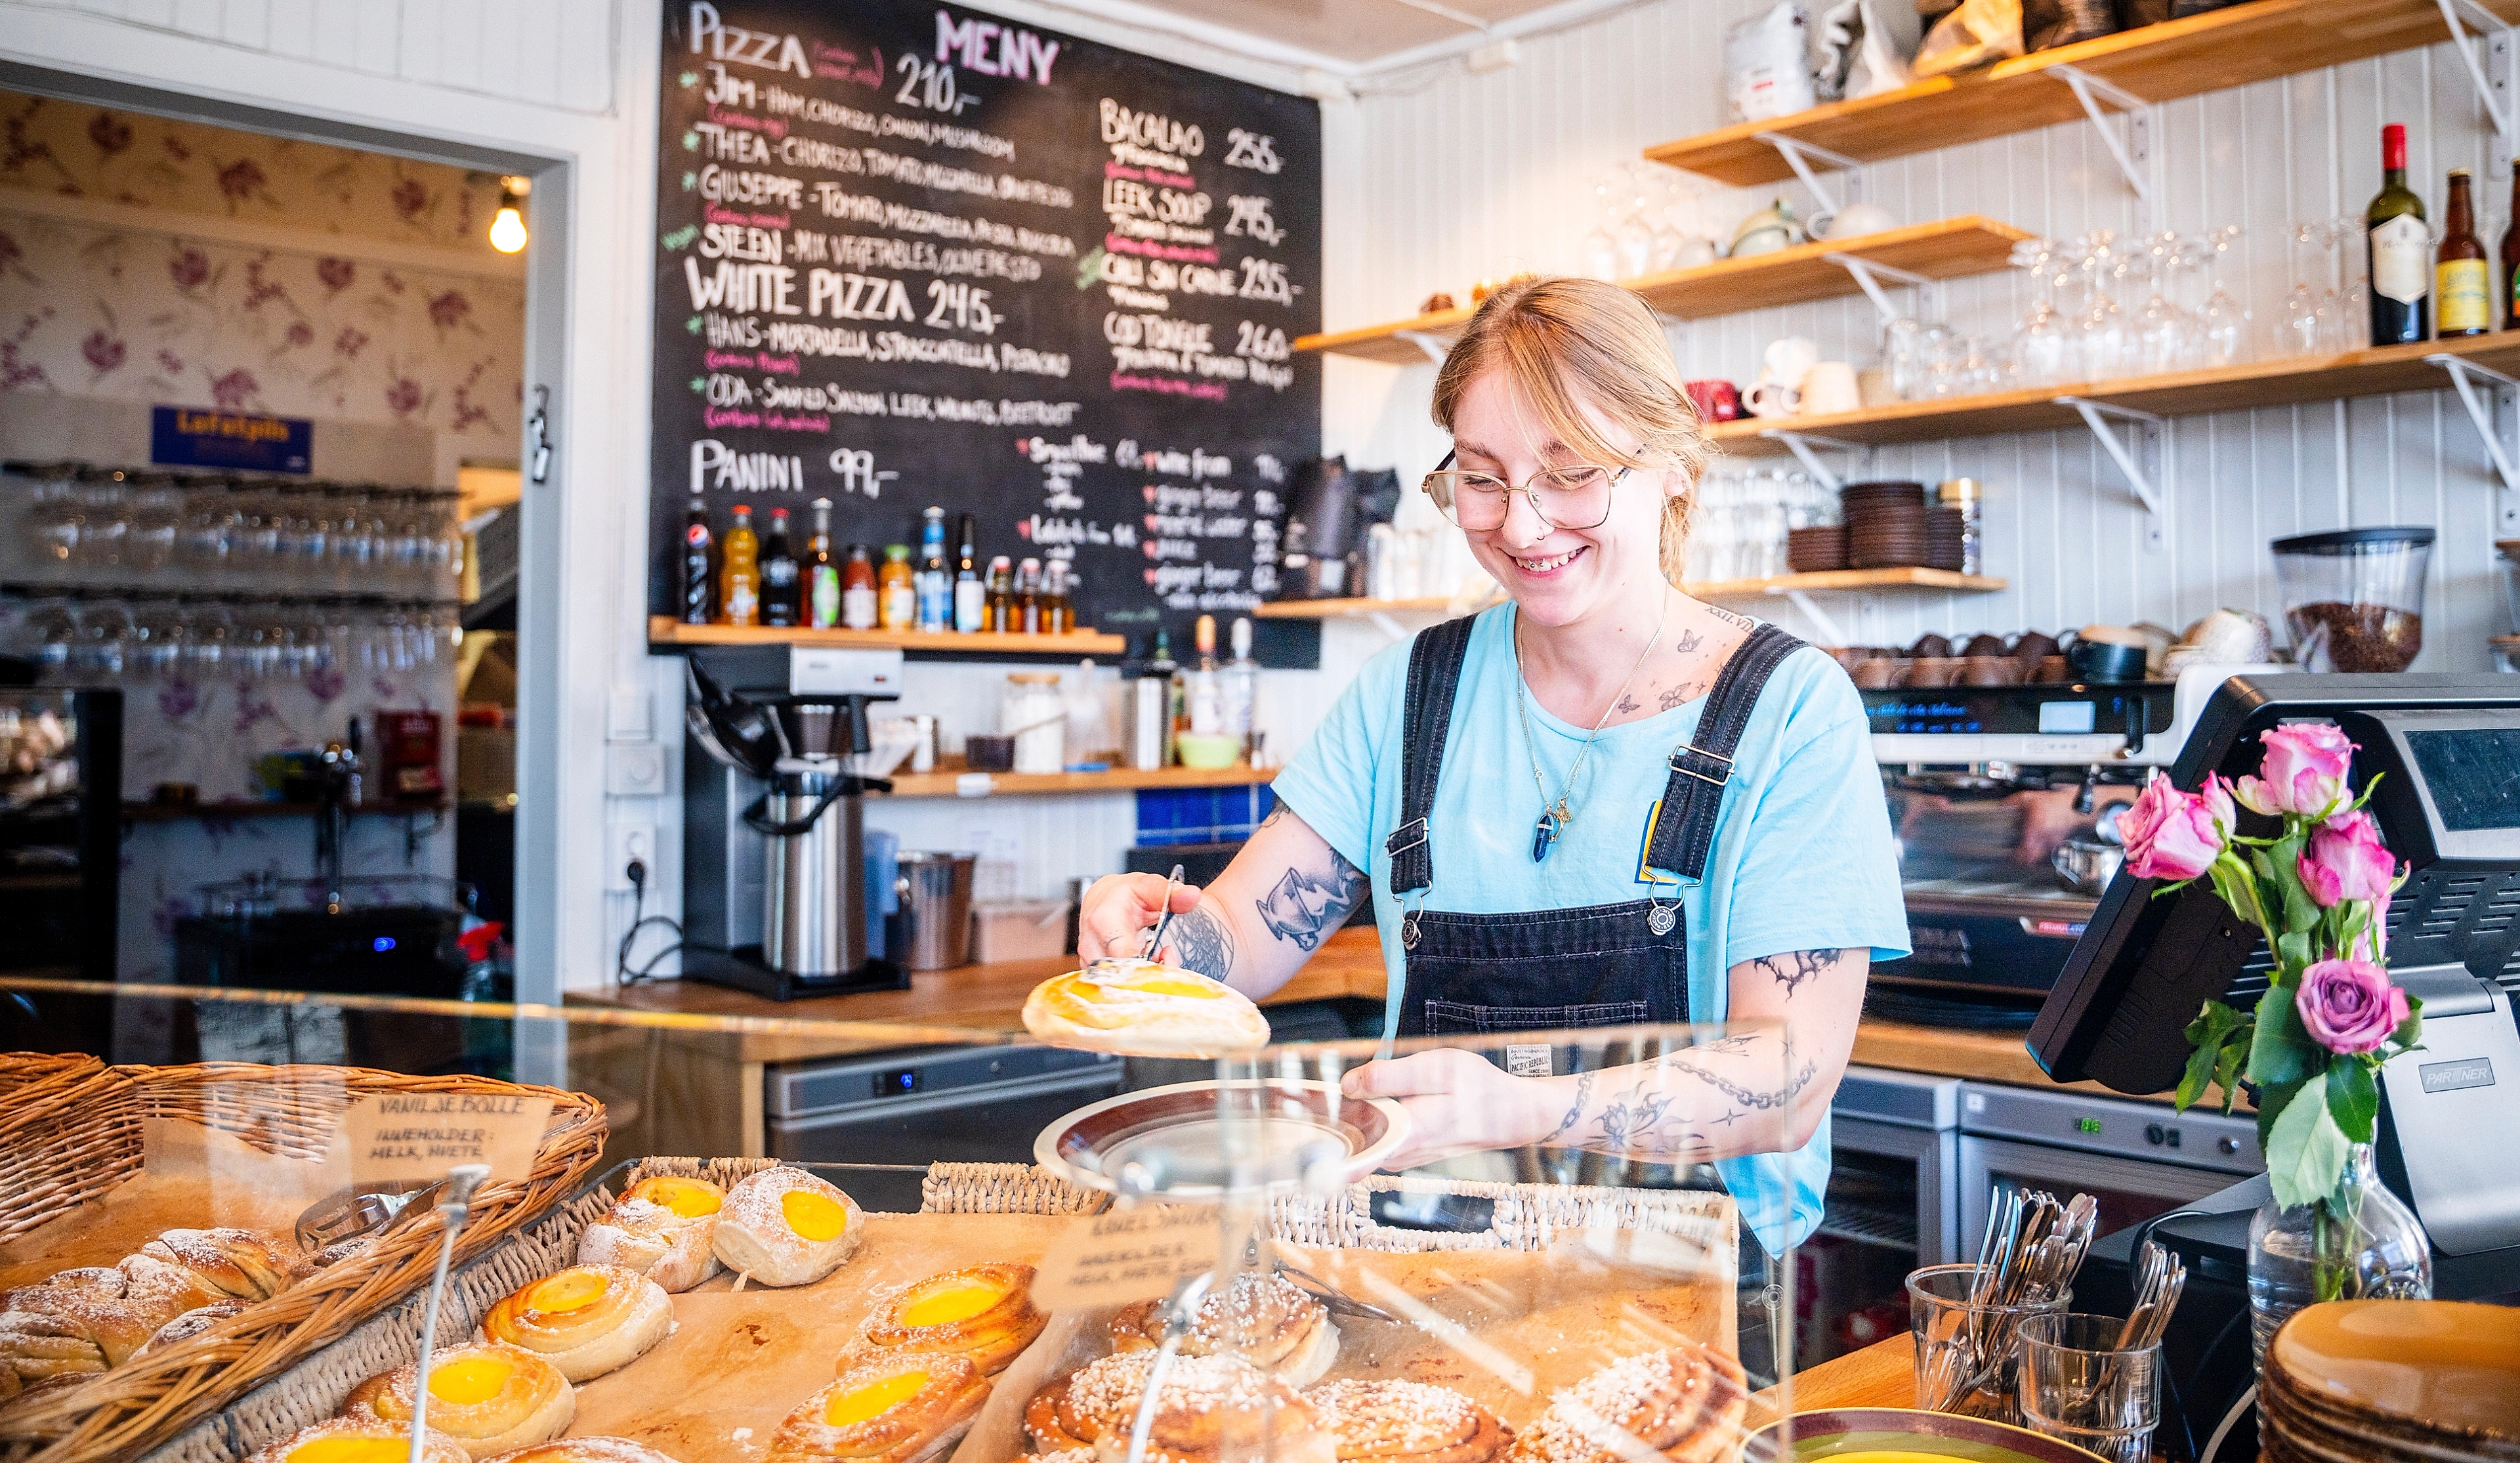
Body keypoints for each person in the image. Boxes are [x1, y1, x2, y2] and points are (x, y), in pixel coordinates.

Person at [1076, 277, 1907, 1251]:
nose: (1521, 525)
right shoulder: (1408, 692)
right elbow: (1242, 933)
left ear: (1675, 462)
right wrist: (1158, 951)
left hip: (1688, 1298)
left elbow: (1787, 1079)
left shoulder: (1788, 712)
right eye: (1482, 477)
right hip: (1417, 1268)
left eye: (1570, 472)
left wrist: (1516, 1109)